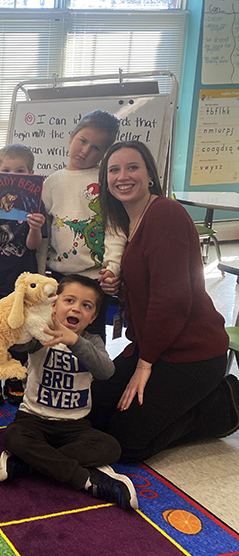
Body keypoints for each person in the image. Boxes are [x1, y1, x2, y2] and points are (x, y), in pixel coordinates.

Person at [89, 140, 239, 462]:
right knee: (92, 411)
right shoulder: (127, 221)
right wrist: (118, 284)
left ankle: (218, 407)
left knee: (126, 445)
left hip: (192, 353)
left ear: (150, 175)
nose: (123, 176)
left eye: (133, 167)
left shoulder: (165, 215)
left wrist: (145, 365)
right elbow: (148, 281)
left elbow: (171, 300)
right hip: (154, 345)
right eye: (114, 170)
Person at [0, 275, 138, 511]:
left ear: (93, 317)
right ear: (54, 304)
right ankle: (84, 479)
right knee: (14, 437)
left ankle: (28, 463)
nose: (76, 308)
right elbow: (18, 346)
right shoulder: (41, 334)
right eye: (69, 300)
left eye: (86, 306)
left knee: (110, 447)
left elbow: (106, 371)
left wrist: (74, 340)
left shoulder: (92, 341)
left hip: (74, 426)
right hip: (33, 420)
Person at [40, 110, 125, 339]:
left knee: (92, 335)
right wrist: (39, 275)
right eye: (83, 141)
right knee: (54, 330)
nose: (86, 150)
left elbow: (115, 229)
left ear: (105, 152)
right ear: (71, 137)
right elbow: (44, 235)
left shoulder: (107, 180)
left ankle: (93, 376)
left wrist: (113, 267)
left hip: (97, 279)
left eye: (96, 147)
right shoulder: (51, 182)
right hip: (59, 276)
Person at [0, 144, 47, 406]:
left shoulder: (36, 207)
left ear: (31, 174)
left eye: (21, 170)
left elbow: (31, 246)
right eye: (6, 170)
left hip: (21, 283)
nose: (13, 174)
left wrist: (35, 227)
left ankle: (15, 376)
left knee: (19, 332)